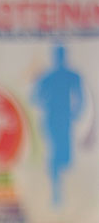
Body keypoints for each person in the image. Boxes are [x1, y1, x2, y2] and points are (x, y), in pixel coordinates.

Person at [32, 45, 84, 205]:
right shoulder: (48, 77)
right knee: (54, 153)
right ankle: (56, 192)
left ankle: (60, 190)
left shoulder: (72, 76)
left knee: (64, 156)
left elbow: (80, 96)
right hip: (52, 118)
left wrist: (76, 112)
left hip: (65, 119)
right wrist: (47, 104)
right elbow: (35, 97)